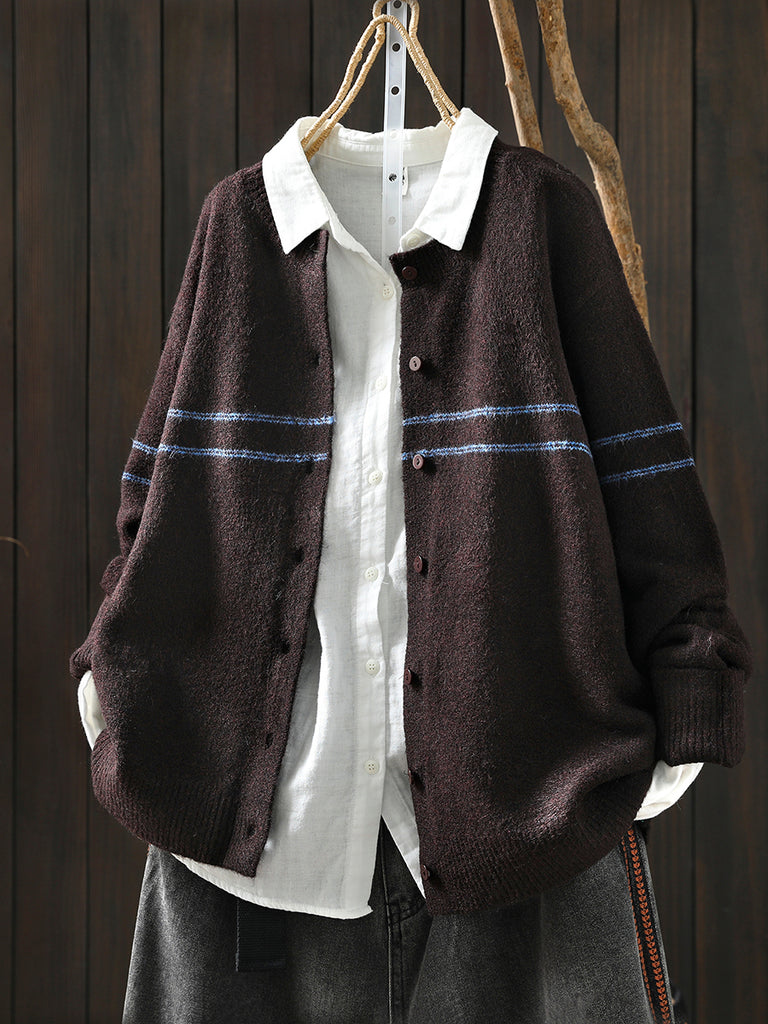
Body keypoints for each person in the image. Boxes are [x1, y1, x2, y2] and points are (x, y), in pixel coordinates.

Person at [72, 107, 752, 1023]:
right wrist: (111, 685)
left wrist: (685, 710)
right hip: (251, 847)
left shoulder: (540, 216)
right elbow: (153, 502)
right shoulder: (240, 226)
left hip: (537, 812)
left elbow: (649, 485)